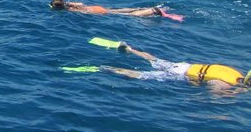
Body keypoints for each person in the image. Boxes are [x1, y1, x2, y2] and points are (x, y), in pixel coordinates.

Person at [101, 42, 250, 92]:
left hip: (182, 66)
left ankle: (131, 49)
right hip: (178, 75)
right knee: (142, 75)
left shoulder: (233, 72)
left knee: (154, 59)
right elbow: (212, 88)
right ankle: (106, 68)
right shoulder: (226, 84)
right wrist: (231, 94)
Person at [50, 0, 183, 21]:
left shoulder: (71, 10)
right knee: (126, 9)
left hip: (99, 13)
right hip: (99, 7)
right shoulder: (71, 4)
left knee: (129, 15)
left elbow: (84, 13)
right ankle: (151, 8)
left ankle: (154, 11)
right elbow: (81, 4)